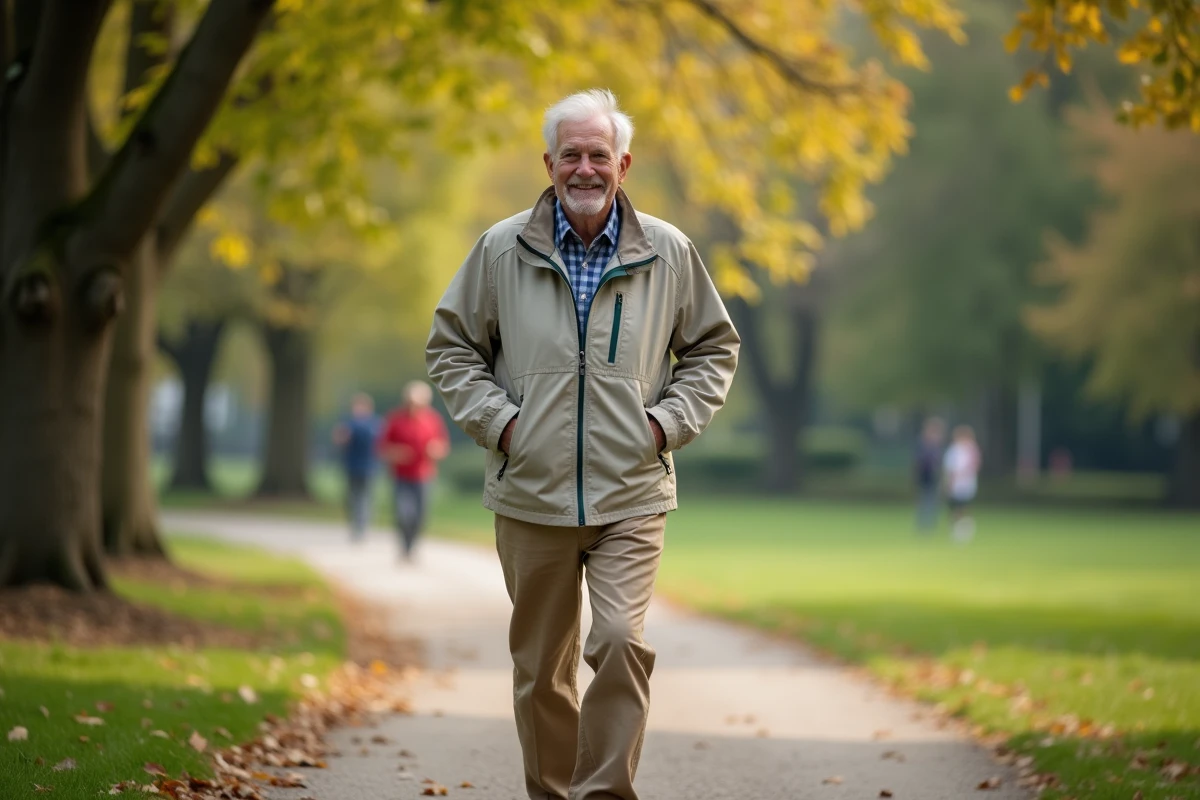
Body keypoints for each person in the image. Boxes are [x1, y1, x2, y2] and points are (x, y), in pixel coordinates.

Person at [426, 89, 739, 800]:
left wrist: (664, 424)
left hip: (631, 489)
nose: (585, 168)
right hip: (531, 492)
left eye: (599, 155)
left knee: (621, 642)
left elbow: (714, 350)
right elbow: (451, 348)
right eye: (572, 155)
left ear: (623, 164)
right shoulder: (500, 249)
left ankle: (603, 793)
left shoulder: (669, 250)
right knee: (542, 668)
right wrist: (504, 425)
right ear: (549, 162)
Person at [376, 381, 450, 561]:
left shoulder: (433, 419)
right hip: (401, 475)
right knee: (403, 514)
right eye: (411, 402)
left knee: (420, 516)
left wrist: (435, 450)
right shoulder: (395, 419)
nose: (414, 407)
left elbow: (443, 446)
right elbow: (382, 447)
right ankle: (405, 546)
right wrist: (396, 453)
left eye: (419, 403)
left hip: (424, 475)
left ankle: (412, 546)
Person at [331, 393, 380, 543]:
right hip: (351, 466)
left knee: (364, 498)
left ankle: (362, 527)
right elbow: (339, 440)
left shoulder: (374, 424)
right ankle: (355, 526)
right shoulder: (349, 423)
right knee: (352, 498)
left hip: (368, 467)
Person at [943, 424, 982, 542]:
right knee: (955, 508)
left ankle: (964, 530)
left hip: (967, 484)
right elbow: (949, 469)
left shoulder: (971, 450)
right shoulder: (953, 450)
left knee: (964, 508)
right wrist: (949, 482)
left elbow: (975, 465)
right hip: (956, 485)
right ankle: (955, 530)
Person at [913, 416, 946, 532]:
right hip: (925, 475)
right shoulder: (923, 443)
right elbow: (918, 461)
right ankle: (923, 524)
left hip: (933, 476)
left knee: (932, 500)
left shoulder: (937, 444)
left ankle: (930, 523)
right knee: (925, 500)